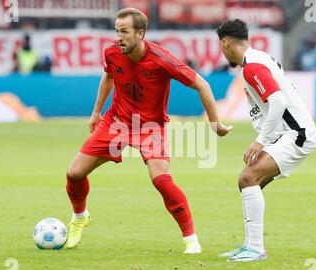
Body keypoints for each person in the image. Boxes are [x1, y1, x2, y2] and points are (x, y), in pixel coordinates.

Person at [64, 8, 232, 253]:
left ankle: (191, 239)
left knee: (162, 180)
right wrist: (96, 112)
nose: (118, 37)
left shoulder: (161, 59)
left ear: (140, 33)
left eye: (124, 31)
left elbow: (202, 85)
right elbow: (108, 77)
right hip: (116, 122)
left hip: (150, 128)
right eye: (117, 31)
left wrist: (215, 124)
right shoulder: (112, 52)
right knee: (74, 173)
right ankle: (80, 217)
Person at [216, 19, 316, 262]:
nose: (222, 51)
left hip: (297, 134)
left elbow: (278, 101)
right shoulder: (260, 59)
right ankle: (251, 245)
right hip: (286, 133)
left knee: (248, 177)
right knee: (250, 183)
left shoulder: (252, 66)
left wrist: (260, 141)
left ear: (227, 42)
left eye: (221, 45)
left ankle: (255, 249)